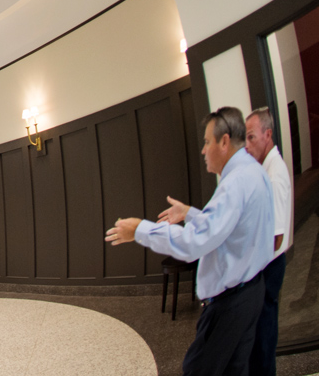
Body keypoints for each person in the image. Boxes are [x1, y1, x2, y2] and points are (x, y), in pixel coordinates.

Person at [105, 106, 274, 376]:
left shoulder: (235, 183)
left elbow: (195, 243)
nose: (204, 150)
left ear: (225, 141)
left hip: (229, 303)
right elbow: (228, 229)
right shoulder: (253, 172)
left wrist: (140, 229)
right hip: (250, 290)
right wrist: (190, 213)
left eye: (207, 142)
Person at [245, 107, 293, 376]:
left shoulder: (274, 174)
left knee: (263, 340)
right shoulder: (263, 168)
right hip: (264, 265)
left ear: (268, 134)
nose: (247, 145)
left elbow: (275, 238)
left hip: (268, 266)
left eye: (251, 137)